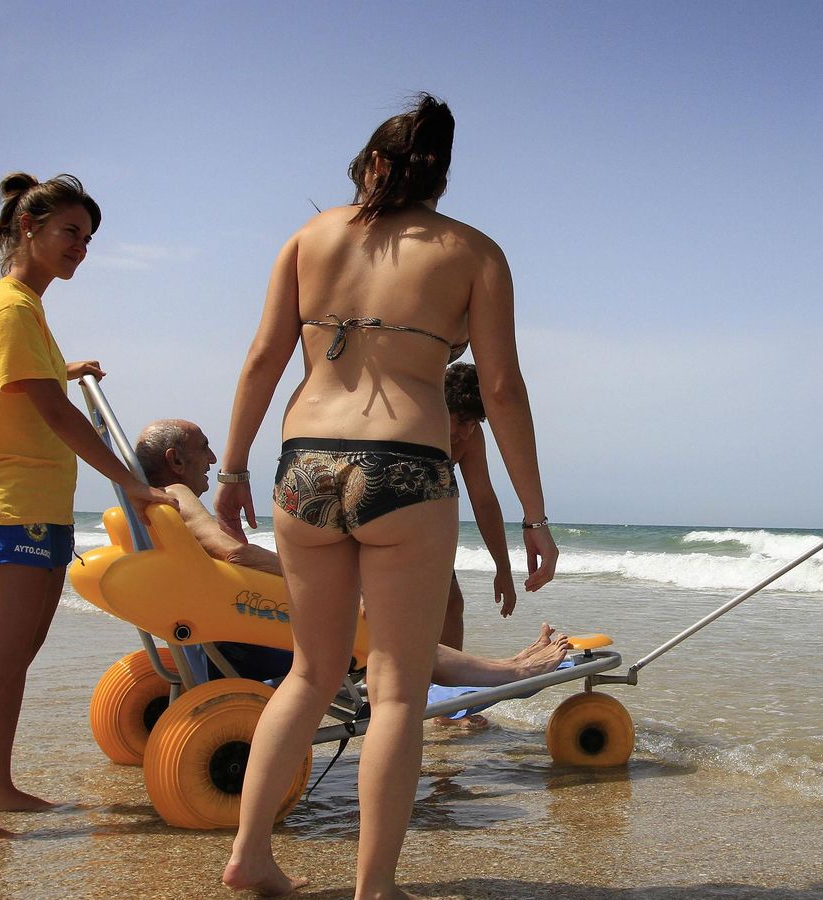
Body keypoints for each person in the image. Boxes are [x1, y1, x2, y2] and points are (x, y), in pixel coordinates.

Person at [214, 95, 557, 899]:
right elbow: (500, 389)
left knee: (309, 674)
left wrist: (231, 470)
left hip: (305, 467)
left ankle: (251, 853)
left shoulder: (309, 237)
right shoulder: (475, 253)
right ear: (440, 177)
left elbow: (264, 357)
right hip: (405, 465)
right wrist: (534, 515)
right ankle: (375, 888)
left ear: (372, 163)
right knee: (398, 688)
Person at [0, 174, 175, 846]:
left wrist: (64, 366)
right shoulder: (10, 308)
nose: (80, 248)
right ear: (27, 229)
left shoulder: (26, 311)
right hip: (11, 504)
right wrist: (132, 480)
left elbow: (33, 381)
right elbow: (51, 410)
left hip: (36, 503)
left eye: (87, 239)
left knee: (16, 655)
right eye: (70, 233)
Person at [133, 418, 568, 687]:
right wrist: (328, 585)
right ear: (174, 461)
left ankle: (500, 667)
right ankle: (510, 672)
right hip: (242, 642)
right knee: (393, 637)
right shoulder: (175, 495)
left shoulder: (147, 506)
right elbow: (234, 555)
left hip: (220, 634)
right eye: (203, 447)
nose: (212, 456)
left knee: (380, 623)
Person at [441, 361, 518, 651]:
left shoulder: (469, 439)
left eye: (473, 423)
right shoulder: (415, 419)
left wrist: (504, 568)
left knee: (451, 603)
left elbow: (484, 500)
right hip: (377, 519)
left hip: (428, 526)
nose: (464, 432)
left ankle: (444, 693)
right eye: (460, 420)